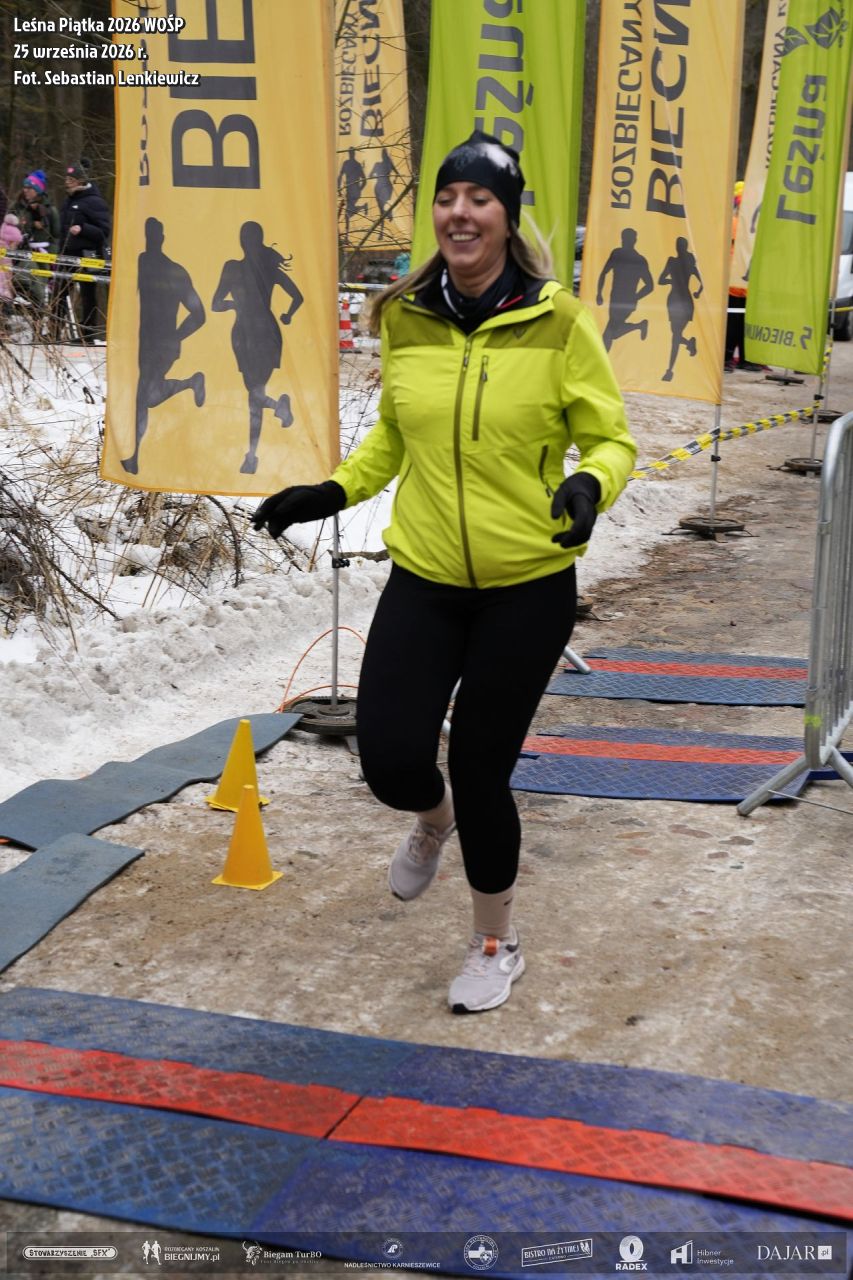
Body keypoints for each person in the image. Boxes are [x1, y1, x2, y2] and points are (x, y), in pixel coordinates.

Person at [253, 131, 636, 1014]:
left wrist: (589, 483)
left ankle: (494, 943)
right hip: (425, 575)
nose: (460, 214)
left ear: (507, 216)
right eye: (447, 197)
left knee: (479, 766)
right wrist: (331, 491)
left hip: (526, 585)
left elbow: (611, 438)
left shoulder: (558, 322)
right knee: (390, 762)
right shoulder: (408, 317)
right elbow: (394, 438)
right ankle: (433, 820)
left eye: (479, 199)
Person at [212, 221, 304, 475]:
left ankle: (252, 456)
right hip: (260, 333)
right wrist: (287, 315)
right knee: (254, 394)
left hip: (248, 333)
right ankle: (271, 420)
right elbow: (297, 297)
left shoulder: (233, 268)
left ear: (242, 241)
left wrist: (234, 305)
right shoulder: (265, 268)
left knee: (254, 395)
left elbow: (216, 304)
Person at [121, 217, 206, 475]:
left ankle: (135, 457)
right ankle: (190, 382)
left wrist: (176, 336)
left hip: (162, 345)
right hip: (146, 342)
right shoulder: (145, 264)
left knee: (143, 398)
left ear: (160, 239)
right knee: (147, 397)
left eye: (153, 236)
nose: (150, 241)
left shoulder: (169, 270)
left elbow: (199, 314)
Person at [54, 162, 111, 343]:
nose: (67, 182)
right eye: (66, 179)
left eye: (71, 179)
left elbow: (104, 231)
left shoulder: (94, 201)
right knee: (59, 292)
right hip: (68, 254)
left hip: (87, 255)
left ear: (80, 181)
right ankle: (54, 331)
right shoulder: (68, 202)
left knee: (88, 293)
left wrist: (83, 229)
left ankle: (88, 334)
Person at [658, 235, 703, 382]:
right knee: (675, 334)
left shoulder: (677, 262)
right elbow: (660, 280)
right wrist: (697, 291)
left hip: (680, 301)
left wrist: (672, 281)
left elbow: (661, 280)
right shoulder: (684, 262)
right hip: (677, 301)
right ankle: (689, 343)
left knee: (675, 336)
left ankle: (669, 370)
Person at [0, 213, 23, 326]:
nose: (16, 246)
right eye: (16, 244)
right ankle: (6, 317)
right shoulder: (7, 255)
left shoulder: (3, 228)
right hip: (4, 294)